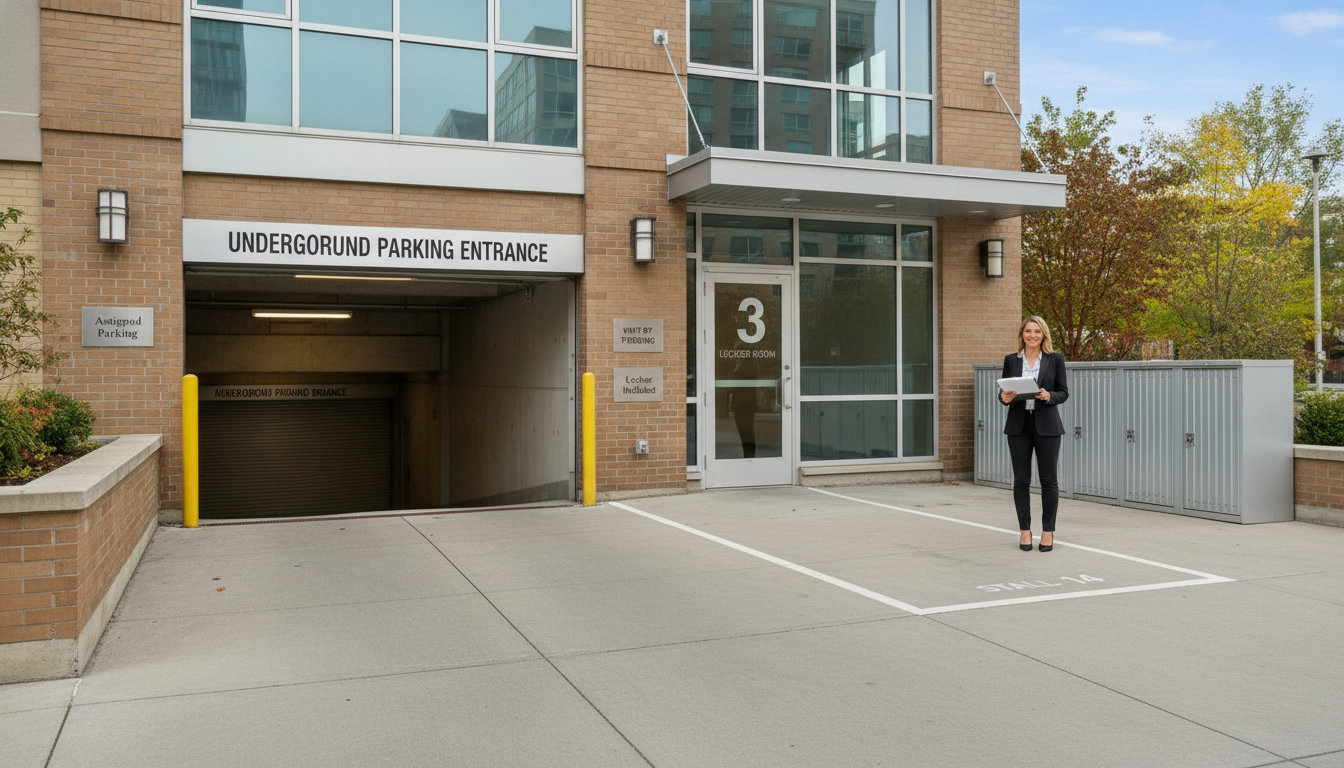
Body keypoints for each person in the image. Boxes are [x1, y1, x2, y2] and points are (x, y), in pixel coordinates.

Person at [1000, 316, 1068, 552]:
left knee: (1049, 481)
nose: (1032, 335)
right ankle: (1025, 532)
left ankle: (1048, 532)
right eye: (1028, 331)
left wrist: (1050, 396)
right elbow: (1004, 394)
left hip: (1047, 426)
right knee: (1021, 481)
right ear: (1022, 334)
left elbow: (1063, 392)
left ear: (1044, 335)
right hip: (1019, 426)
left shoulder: (1055, 359)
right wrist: (1004, 397)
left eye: (1037, 331)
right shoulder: (1011, 360)